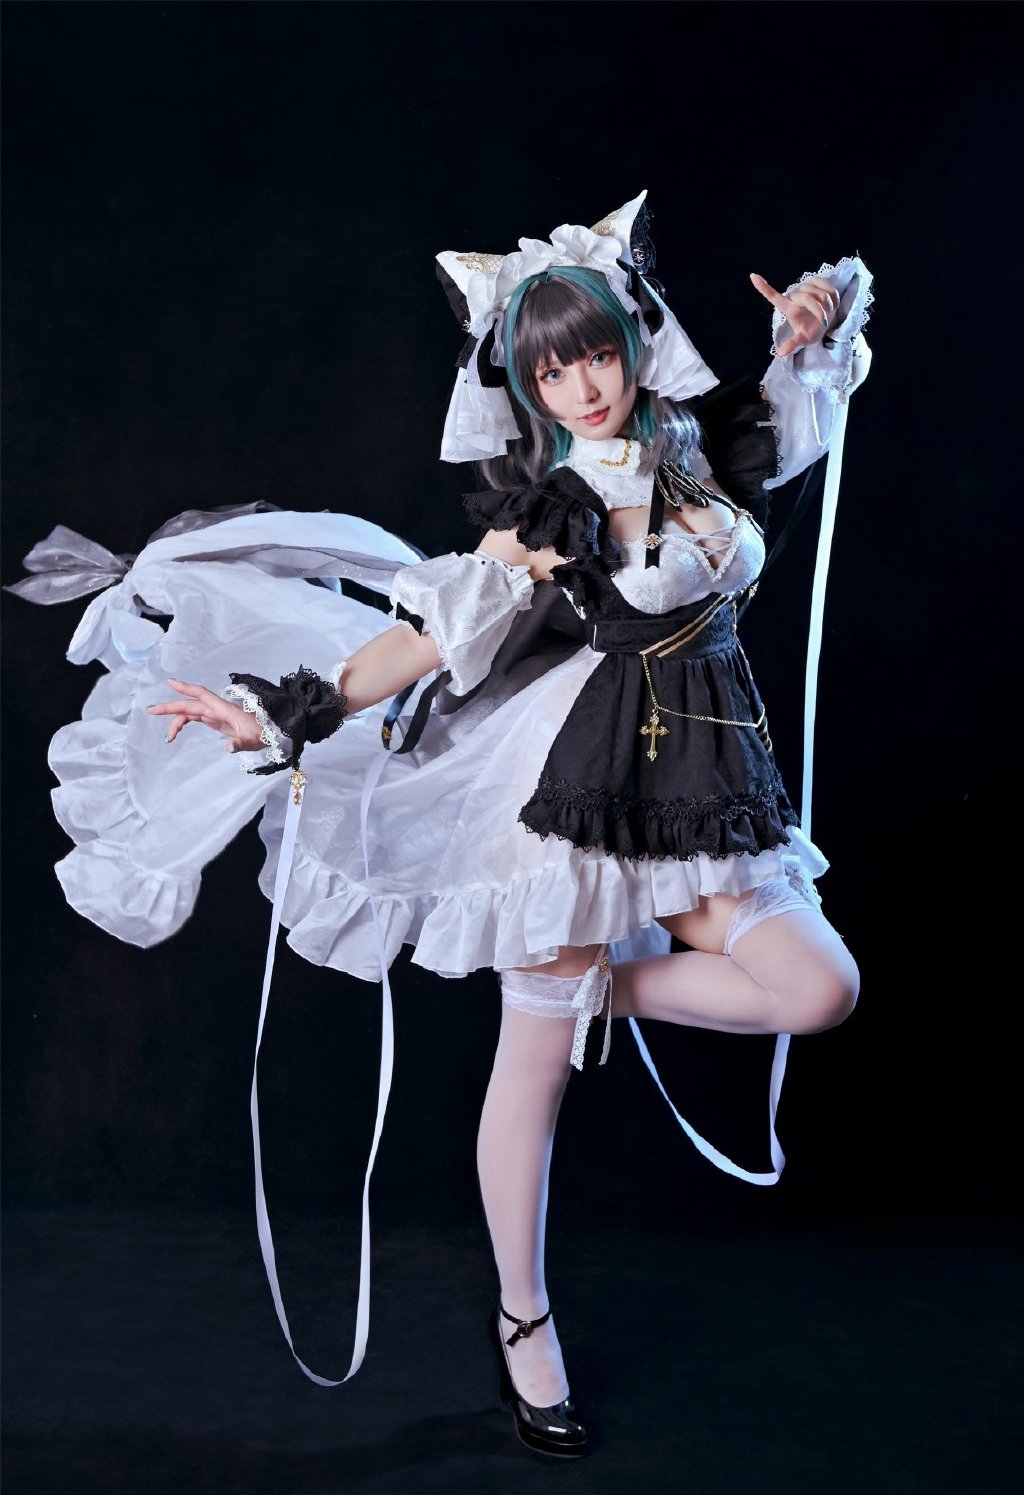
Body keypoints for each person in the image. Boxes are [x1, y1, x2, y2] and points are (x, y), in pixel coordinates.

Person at [13, 191, 873, 1459]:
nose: (580, 388)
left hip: (704, 780)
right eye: (550, 371)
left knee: (816, 988)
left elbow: (800, 416)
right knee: (532, 1066)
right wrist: (280, 714)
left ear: (634, 343)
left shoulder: (705, 444)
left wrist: (812, 325)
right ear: (525, 387)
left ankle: (589, 993)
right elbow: (423, 638)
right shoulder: (553, 511)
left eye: (594, 355)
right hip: (582, 787)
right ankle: (525, 1316)